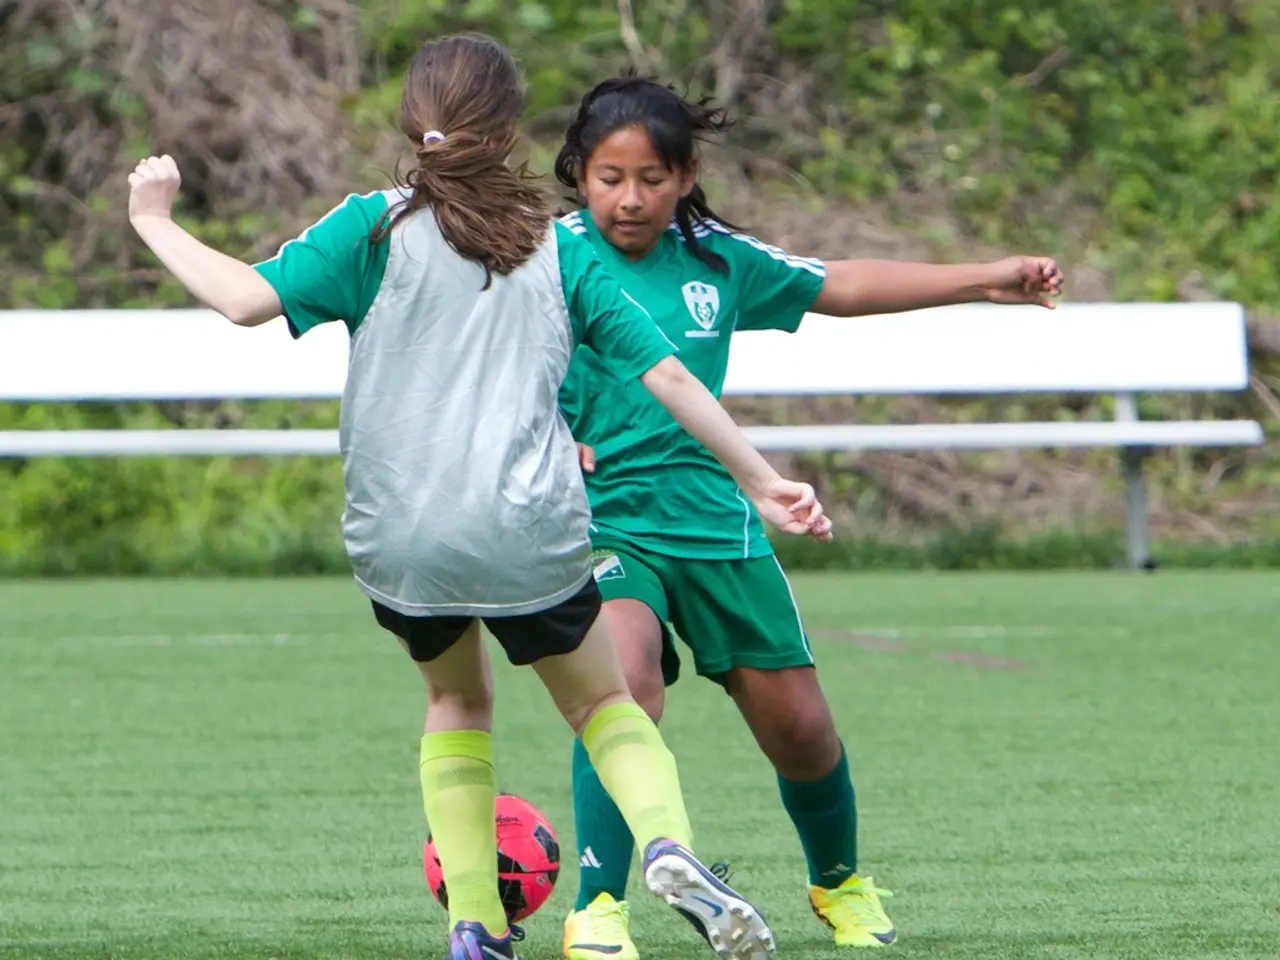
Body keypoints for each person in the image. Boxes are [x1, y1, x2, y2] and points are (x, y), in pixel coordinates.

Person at [126, 38, 833, 960]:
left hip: (404, 533)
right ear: (510, 130)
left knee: (456, 705)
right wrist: (760, 477)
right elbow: (667, 374)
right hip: (527, 527)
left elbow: (245, 301)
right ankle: (667, 844)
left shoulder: (369, 228)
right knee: (605, 709)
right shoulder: (556, 246)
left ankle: (476, 926)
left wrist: (154, 218)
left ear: (411, 121)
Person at [548, 77, 1066, 957]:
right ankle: (597, 908)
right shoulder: (543, 258)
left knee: (803, 733)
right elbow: (474, 356)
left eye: (650, 178)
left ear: (686, 175)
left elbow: (842, 283)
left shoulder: (717, 259)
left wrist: (984, 279)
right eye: (607, 178)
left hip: (716, 520)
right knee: (621, 684)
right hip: (603, 523)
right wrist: (547, 434)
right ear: (579, 174)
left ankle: (839, 885)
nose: (628, 199)